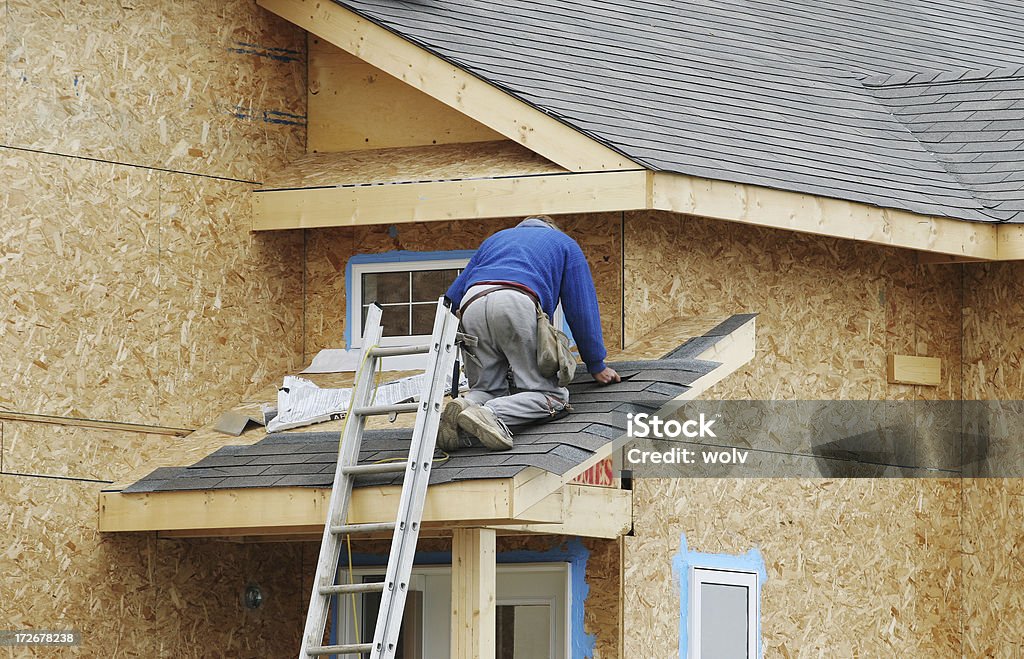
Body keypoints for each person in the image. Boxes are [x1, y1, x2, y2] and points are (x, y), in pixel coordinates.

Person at [438, 216, 620, 452]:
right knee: (552, 396)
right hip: (516, 300)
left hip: (471, 303)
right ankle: (489, 413)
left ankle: (464, 406)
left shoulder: (496, 240)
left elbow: (452, 297)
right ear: (552, 228)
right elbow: (581, 308)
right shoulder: (563, 243)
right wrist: (596, 364)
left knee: (487, 388)